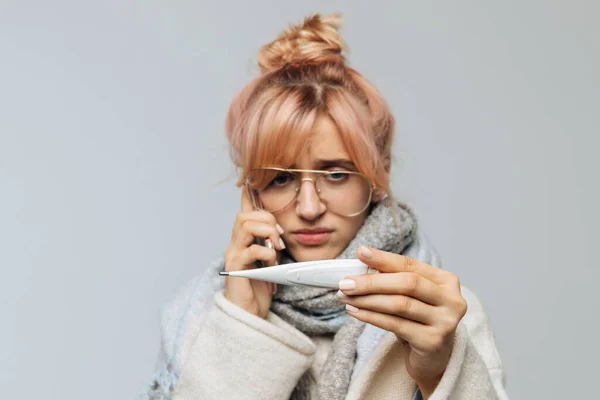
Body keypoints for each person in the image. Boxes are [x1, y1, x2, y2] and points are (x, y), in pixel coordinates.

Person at [139, 13, 508, 400]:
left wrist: (439, 369)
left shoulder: (444, 315)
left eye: (336, 174)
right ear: (252, 191)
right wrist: (242, 326)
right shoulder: (195, 317)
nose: (310, 207)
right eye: (280, 178)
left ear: (378, 178)